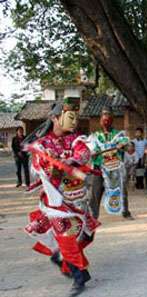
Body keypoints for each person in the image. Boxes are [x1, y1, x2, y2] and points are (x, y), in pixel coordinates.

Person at [23, 98, 99, 296]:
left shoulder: (76, 139)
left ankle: (63, 260)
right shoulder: (41, 145)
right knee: (66, 237)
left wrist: (68, 160)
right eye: (69, 117)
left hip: (78, 198)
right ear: (55, 118)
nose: (73, 121)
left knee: (85, 236)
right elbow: (34, 170)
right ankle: (79, 276)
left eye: (75, 117)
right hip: (56, 200)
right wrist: (48, 165)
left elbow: (84, 154)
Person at [88, 106, 131, 219]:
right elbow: (90, 150)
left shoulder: (119, 135)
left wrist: (124, 145)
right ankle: (93, 216)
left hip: (115, 168)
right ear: (100, 120)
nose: (106, 118)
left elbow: (129, 147)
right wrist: (92, 152)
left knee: (121, 189)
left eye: (108, 115)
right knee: (95, 192)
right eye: (104, 115)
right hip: (99, 168)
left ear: (112, 119)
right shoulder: (94, 136)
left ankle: (125, 212)